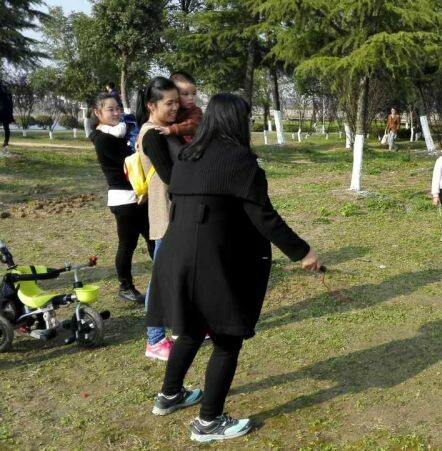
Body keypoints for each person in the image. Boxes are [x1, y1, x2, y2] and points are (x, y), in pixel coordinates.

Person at [147, 93, 322, 442]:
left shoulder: (188, 154)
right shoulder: (240, 161)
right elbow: (264, 217)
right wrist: (303, 252)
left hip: (175, 254)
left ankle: (169, 395)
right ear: (237, 122)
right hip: (209, 261)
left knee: (191, 329)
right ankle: (208, 422)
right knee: (227, 339)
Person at [135, 76, 183, 361]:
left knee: (176, 274)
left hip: (174, 213)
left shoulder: (165, 130)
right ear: (151, 105)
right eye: (169, 103)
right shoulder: (152, 135)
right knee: (161, 277)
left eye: (178, 101)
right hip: (165, 216)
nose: (176, 107)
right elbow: (170, 177)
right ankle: (154, 339)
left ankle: (180, 328)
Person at [89, 93, 154, 303]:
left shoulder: (126, 130)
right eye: (110, 109)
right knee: (128, 244)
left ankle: (166, 278)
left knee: (154, 240)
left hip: (139, 195)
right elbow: (129, 160)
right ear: (98, 112)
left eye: (118, 108)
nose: (116, 113)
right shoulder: (102, 139)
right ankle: (125, 287)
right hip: (124, 199)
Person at [158, 71, 203, 143]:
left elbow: (192, 126)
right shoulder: (169, 110)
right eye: (185, 94)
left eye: (194, 93)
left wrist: (170, 129)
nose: (191, 98)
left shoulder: (196, 111)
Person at [0, 83, 14, 151]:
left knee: (6, 128)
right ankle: (6, 142)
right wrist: (11, 113)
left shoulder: (3, 93)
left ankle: (6, 142)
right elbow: (11, 104)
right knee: (6, 128)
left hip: (3, 112)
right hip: (7, 113)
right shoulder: (8, 94)